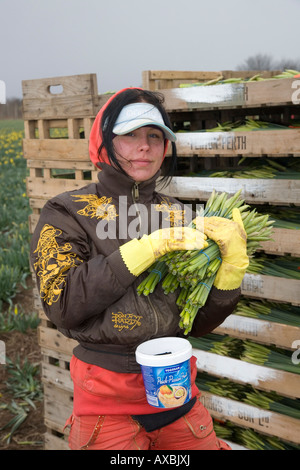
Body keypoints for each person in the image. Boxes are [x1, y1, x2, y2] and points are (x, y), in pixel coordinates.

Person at [30, 87, 249, 450]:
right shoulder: (67, 212)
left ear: (166, 147)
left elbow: (194, 323)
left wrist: (230, 275)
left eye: (154, 136)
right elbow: (63, 306)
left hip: (177, 391)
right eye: (129, 135)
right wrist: (144, 249)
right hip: (106, 400)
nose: (144, 146)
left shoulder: (180, 215)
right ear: (104, 143)